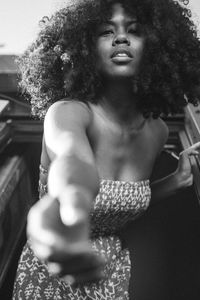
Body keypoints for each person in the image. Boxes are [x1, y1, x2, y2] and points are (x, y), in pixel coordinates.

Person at [13, 0, 200, 299]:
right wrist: (71, 210)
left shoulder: (156, 131)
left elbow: (120, 205)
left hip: (111, 274)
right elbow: (73, 164)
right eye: (106, 31)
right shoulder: (67, 113)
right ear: (84, 49)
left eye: (135, 30)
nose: (121, 38)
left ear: (157, 48)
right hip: (55, 273)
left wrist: (175, 182)